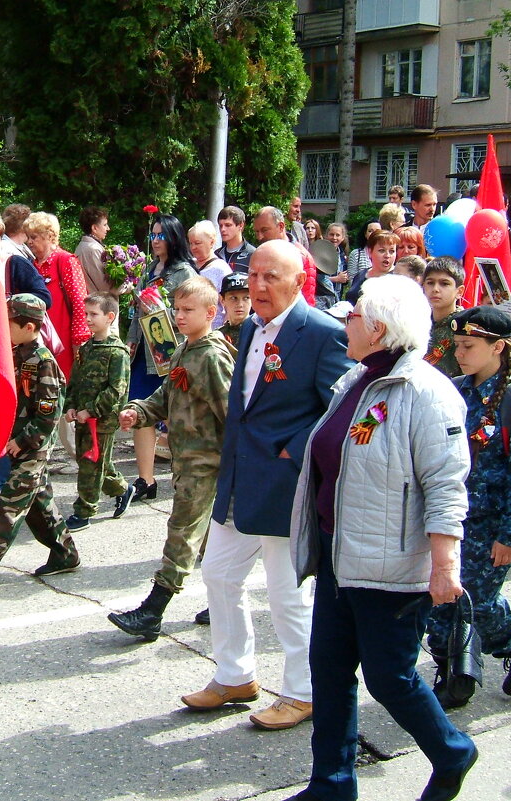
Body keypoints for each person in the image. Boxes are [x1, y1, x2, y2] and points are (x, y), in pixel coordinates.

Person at [287, 274, 477, 801]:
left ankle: (452, 751)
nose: (345, 319)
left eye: (354, 313)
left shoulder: (425, 393)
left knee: (390, 679)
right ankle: (331, 783)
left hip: (391, 565)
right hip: (339, 555)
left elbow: (445, 484)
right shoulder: (357, 380)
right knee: (328, 670)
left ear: (379, 327)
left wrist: (444, 565)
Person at [180, 241, 352, 733]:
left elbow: (340, 406)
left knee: (286, 594)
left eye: (270, 277)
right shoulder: (250, 326)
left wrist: (292, 450)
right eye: (253, 276)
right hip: (239, 478)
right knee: (218, 574)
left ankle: (303, 692)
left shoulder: (321, 333)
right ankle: (235, 675)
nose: (257, 287)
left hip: (284, 486)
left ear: (299, 280)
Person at [427, 306, 511, 710]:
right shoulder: (456, 389)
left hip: (491, 523)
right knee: (443, 599)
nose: (460, 352)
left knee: (477, 604)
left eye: (469, 345)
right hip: (452, 518)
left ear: (498, 347)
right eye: (457, 344)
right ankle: (453, 674)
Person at [108, 277, 234, 641]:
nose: (179, 316)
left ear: (211, 313)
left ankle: (152, 611)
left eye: (188, 310)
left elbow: (232, 411)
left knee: (181, 533)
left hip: (206, 461)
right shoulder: (184, 350)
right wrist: (138, 411)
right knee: (212, 537)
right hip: (187, 458)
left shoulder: (212, 356)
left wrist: (235, 461)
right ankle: (223, 602)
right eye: (176, 309)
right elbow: (166, 396)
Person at [0, 294, 79, 590]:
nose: (3, 327)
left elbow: (48, 415)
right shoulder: (17, 353)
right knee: (40, 504)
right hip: (17, 443)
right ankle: (65, 553)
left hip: (33, 447)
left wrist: (22, 442)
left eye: (9, 322)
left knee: (9, 505)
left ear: (29, 326)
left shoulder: (43, 362)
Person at [126, 212, 196, 502]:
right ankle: (146, 478)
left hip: (170, 352)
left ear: (173, 237)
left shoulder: (185, 273)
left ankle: (185, 475)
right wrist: (130, 339)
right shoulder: (150, 268)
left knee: (175, 415)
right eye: (152, 236)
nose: (155, 241)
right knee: (141, 412)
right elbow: (137, 311)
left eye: (161, 235)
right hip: (145, 352)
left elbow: (187, 313)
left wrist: (158, 307)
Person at [63, 293, 134, 531]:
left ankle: (84, 511)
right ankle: (123, 489)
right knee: (95, 460)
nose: (88, 319)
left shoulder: (117, 352)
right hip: (83, 416)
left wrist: (91, 410)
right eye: (86, 314)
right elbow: (74, 381)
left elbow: (117, 389)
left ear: (110, 317)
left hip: (103, 419)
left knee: (91, 464)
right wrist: (71, 406)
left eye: (94, 314)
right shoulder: (86, 348)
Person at [23, 212, 89, 378]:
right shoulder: (31, 265)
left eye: (34, 237)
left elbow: (80, 302)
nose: (29, 242)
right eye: (28, 237)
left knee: (60, 385)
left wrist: (78, 341)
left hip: (63, 341)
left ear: (50, 236)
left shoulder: (65, 261)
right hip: (37, 340)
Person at [253, 206, 317, 306]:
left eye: (264, 230)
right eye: (257, 232)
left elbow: (307, 302)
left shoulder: (302, 257)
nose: (260, 237)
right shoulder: (259, 255)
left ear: (281, 226)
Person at [423, 257, 467, 378]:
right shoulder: (418, 323)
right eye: (430, 283)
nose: (435, 289)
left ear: (459, 291)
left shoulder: (465, 328)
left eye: (444, 283)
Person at [187, 219, 231, 327]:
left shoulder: (221, 269)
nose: (193, 247)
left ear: (211, 242)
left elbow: (230, 307)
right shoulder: (188, 265)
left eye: (197, 243)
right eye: (191, 243)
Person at [345, 229, 398, 306]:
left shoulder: (399, 279)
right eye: (382, 250)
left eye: (392, 251)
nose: (387, 255)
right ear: (370, 252)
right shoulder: (361, 274)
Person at [75, 205, 116, 299]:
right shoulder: (92, 249)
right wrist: (127, 285)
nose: (108, 228)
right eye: (105, 225)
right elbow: (105, 287)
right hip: (100, 307)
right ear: (94, 228)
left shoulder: (84, 247)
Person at [215, 205, 255, 273]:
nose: (223, 229)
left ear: (241, 225)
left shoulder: (253, 254)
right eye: (220, 225)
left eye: (228, 225)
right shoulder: (216, 254)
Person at [217, 272, 251, 351]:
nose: (240, 304)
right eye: (233, 298)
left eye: (246, 298)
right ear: (222, 300)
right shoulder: (218, 336)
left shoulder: (258, 333)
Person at [345, 220, 382, 285]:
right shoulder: (356, 254)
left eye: (377, 231)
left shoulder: (388, 254)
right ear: (365, 234)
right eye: (370, 231)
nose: (373, 233)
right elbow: (351, 279)